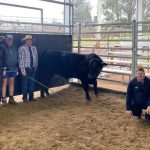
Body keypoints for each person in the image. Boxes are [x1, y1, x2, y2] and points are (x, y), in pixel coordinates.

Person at [18, 35, 38, 102]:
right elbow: (20, 60)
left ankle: (31, 97)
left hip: (32, 69)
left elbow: (36, 58)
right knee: (25, 84)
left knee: (31, 83)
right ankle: (25, 98)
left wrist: (35, 67)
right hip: (25, 69)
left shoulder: (34, 48)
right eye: (28, 40)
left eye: (30, 40)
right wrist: (22, 70)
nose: (29, 41)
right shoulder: (21, 48)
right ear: (25, 41)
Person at [2, 34, 18, 105]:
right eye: (8, 39)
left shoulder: (14, 47)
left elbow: (16, 57)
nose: (9, 41)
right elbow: (1, 59)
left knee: (11, 82)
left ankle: (11, 98)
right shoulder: (2, 47)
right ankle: (3, 99)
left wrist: (16, 66)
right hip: (5, 69)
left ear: (12, 40)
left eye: (11, 39)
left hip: (13, 68)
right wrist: (4, 68)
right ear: (5, 40)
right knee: (4, 83)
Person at [0, 35, 7, 106]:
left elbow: (4, 59)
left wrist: (4, 69)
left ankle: (2, 100)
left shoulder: (2, 48)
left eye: (1, 38)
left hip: (1, 68)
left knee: (1, 84)